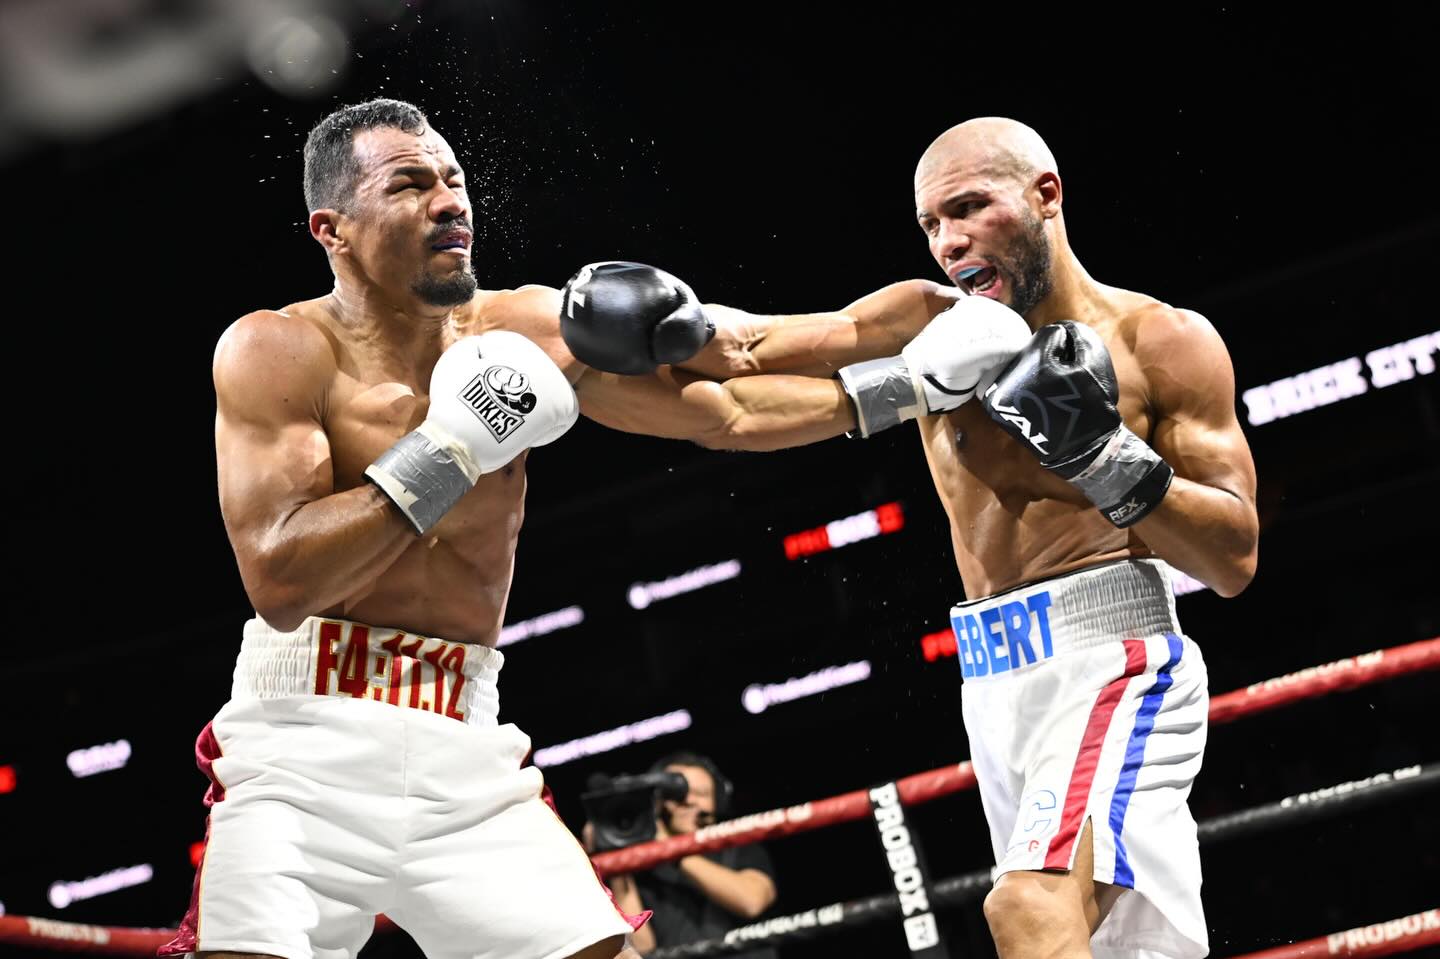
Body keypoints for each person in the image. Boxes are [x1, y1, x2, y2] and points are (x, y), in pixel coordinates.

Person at [159, 98, 1029, 959]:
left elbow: (730, 391)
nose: (450, 201)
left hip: (461, 738)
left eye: (455, 180)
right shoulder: (276, 351)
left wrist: (918, 374)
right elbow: (281, 582)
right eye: (411, 184)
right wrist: (450, 446)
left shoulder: (526, 328)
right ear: (332, 229)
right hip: (304, 742)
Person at [563, 117, 1259, 959]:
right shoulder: (927, 325)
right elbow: (749, 349)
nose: (949, 241)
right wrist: (660, 325)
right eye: (932, 223)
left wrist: (1101, 454)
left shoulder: (1160, 341)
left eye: (970, 208)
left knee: (1026, 908)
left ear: (1046, 196)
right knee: (1124, 948)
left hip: (1112, 658)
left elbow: (1233, 559)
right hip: (994, 682)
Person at [602, 753, 778, 958]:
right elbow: (641, 947)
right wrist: (616, 859)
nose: (688, 800)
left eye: (701, 793)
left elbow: (751, 901)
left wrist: (670, 849)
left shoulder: (738, 844)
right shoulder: (641, 865)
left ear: (717, 802)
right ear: (654, 802)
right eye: (675, 793)